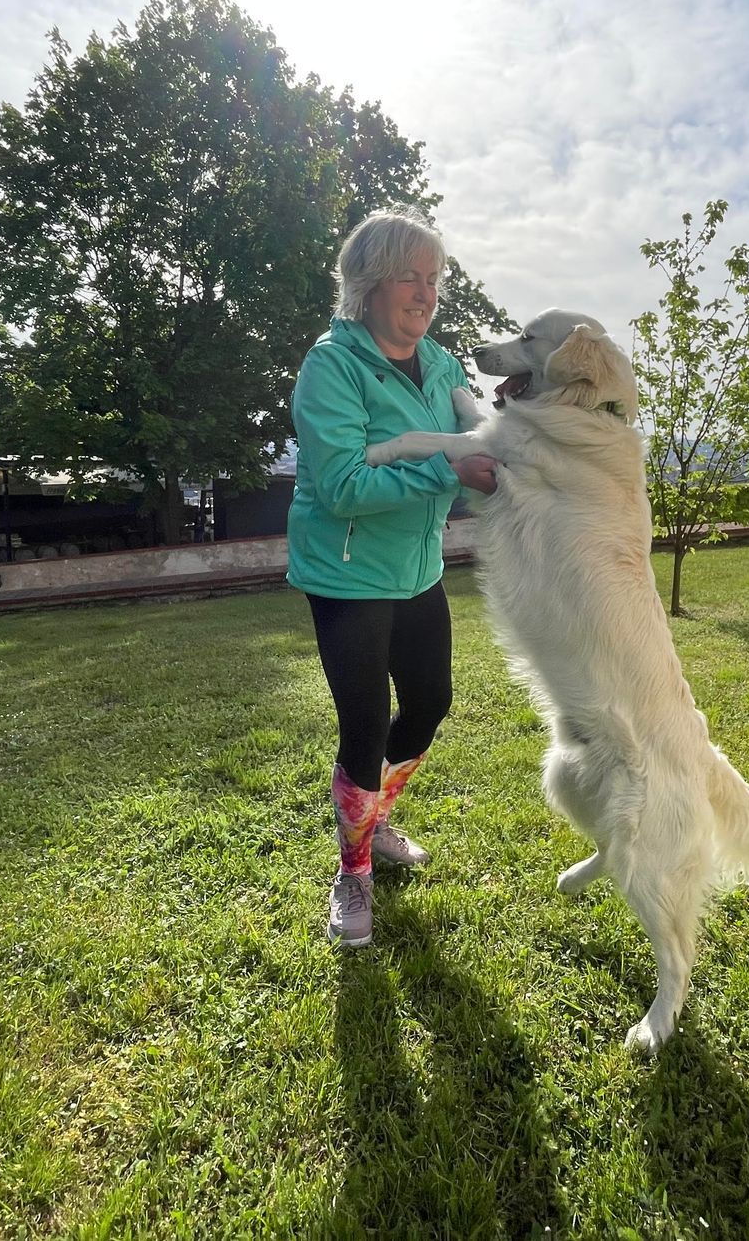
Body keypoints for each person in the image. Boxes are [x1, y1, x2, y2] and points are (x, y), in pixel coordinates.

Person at [286, 209, 498, 948]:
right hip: (347, 575)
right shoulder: (332, 367)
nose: (424, 292)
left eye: (433, 279)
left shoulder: (440, 364)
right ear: (370, 284)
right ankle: (353, 872)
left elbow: (480, 438)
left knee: (431, 704)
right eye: (409, 276)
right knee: (366, 723)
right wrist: (446, 467)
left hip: (417, 570)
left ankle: (369, 821)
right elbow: (342, 484)